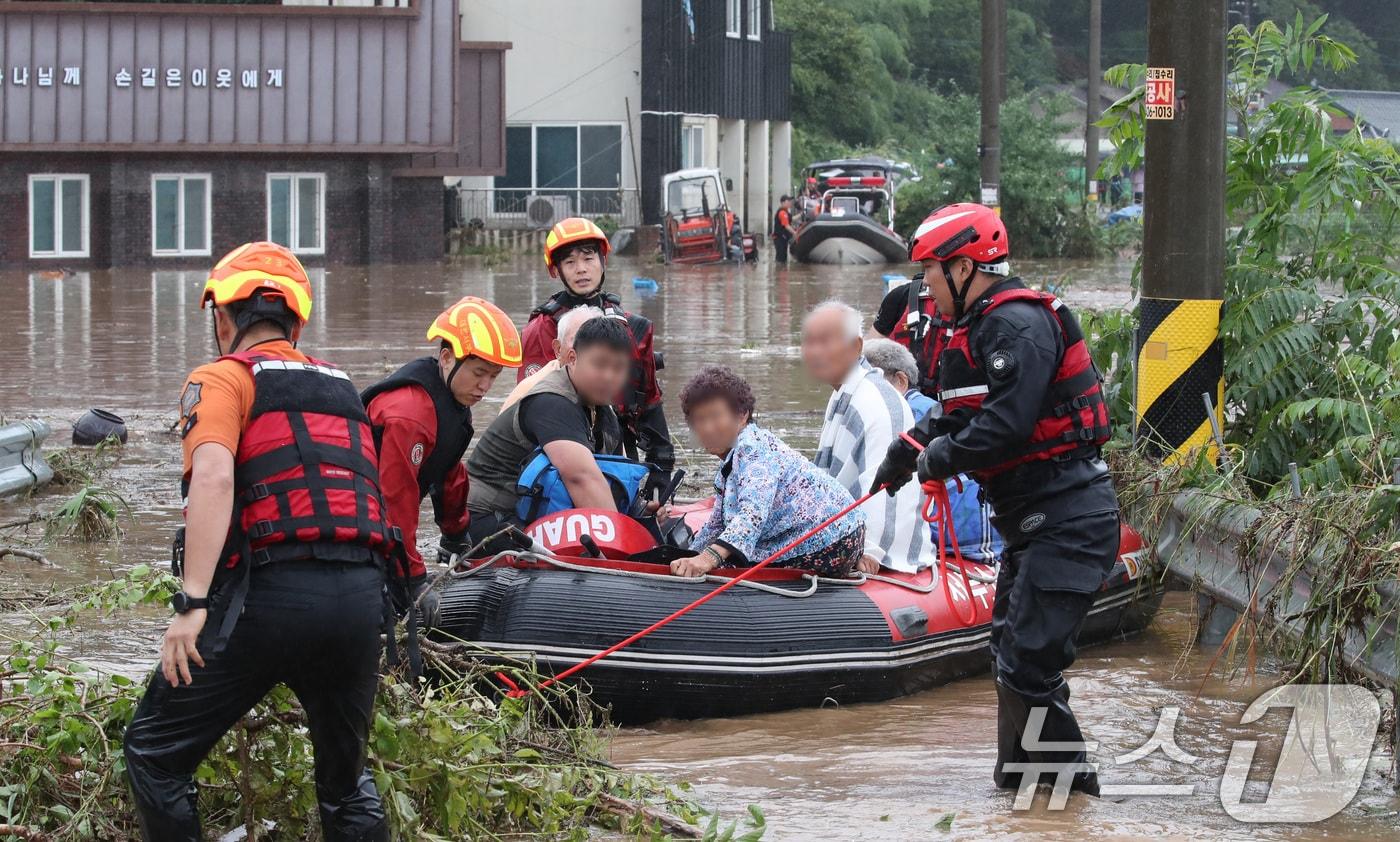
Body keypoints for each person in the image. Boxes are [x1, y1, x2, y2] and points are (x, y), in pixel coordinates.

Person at [123, 242, 392, 840]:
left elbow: (214, 477)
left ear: (223, 319)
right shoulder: (344, 387)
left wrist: (192, 604)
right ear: (296, 322)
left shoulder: (220, 378)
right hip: (359, 604)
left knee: (154, 755)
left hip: (271, 598)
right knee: (345, 787)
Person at [870, 203, 1115, 797]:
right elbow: (959, 415)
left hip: (1069, 518)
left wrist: (937, 459)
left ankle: (1071, 804)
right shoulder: (977, 329)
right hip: (1033, 523)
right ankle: (1022, 798)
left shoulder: (1016, 326)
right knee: (1009, 652)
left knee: (1029, 662)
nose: (924, 286)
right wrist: (906, 453)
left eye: (930, 272)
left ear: (964, 266)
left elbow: (1005, 425)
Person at [361, 296, 521, 603]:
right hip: (356, 523)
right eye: (478, 373)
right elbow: (397, 500)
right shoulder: (409, 414)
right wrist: (414, 578)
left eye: (493, 376)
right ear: (446, 358)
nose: (485, 386)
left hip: (381, 519)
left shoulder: (452, 402)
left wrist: (457, 535)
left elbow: (449, 472)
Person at [669, 365, 865, 579]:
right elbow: (717, 524)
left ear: (742, 416)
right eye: (700, 420)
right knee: (728, 553)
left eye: (716, 416)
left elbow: (752, 514)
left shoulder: (752, 448)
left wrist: (706, 559)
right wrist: (691, 554)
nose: (707, 428)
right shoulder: (731, 462)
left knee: (730, 565)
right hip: (842, 533)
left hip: (835, 538)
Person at [518, 217, 674, 481]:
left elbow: (648, 401)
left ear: (603, 262)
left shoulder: (634, 328)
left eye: (588, 259)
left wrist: (662, 465)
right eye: (570, 262)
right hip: (559, 450)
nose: (581, 269)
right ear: (556, 271)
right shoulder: (541, 330)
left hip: (618, 448)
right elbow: (530, 405)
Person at [466, 316, 640, 541]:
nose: (608, 376)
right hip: (486, 516)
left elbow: (611, 478)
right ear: (573, 359)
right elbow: (582, 479)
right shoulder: (552, 402)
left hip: (531, 510)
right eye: (599, 365)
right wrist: (622, 545)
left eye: (618, 368)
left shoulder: (604, 412)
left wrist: (640, 511)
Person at [801, 302, 932, 575]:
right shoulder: (843, 392)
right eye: (809, 342)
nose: (814, 352)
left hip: (885, 556)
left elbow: (886, 485)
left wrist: (870, 550)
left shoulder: (878, 402)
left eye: (826, 342)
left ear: (856, 347)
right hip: (843, 536)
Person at [863, 337, 1004, 564]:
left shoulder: (899, 417)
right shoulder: (939, 413)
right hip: (994, 540)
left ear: (901, 381)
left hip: (951, 542)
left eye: (875, 387)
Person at [502, 305, 603, 410]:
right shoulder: (543, 392)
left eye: (596, 342)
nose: (589, 350)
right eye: (577, 339)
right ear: (558, 349)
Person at [872, 270, 948, 399]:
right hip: (904, 397)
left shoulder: (979, 312)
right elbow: (868, 354)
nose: (926, 281)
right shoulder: (900, 297)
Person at [771, 195, 797, 264]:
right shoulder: (782, 213)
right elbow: (787, 226)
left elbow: (792, 218)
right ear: (783, 202)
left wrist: (801, 215)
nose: (789, 203)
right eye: (787, 201)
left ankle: (780, 271)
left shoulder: (786, 212)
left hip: (783, 238)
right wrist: (795, 233)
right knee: (781, 258)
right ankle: (779, 272)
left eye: (789, 201)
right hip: (779, 238)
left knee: (783, 257)